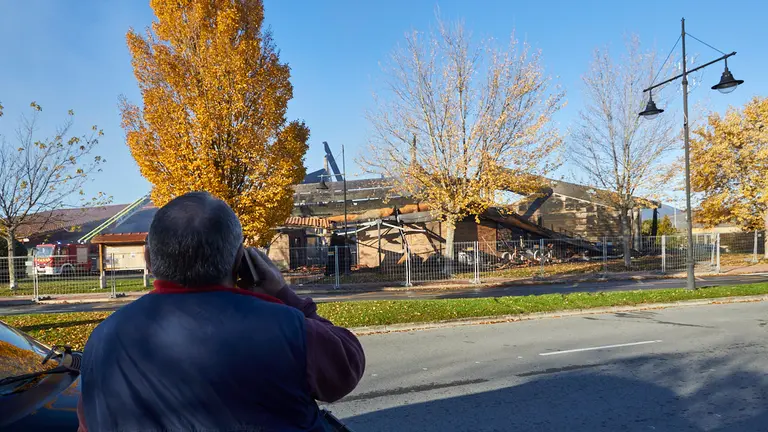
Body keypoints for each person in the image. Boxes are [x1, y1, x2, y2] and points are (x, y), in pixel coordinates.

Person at [77, 192, 365, 431]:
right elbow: (347, 366)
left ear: (148, 258)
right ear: (240, 258)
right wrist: (283, 294)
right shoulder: (286, 326)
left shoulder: (103, 338)